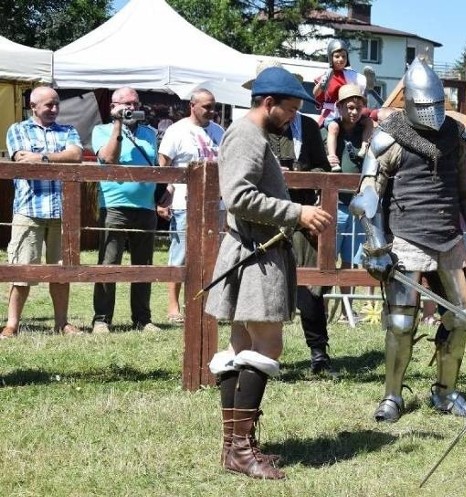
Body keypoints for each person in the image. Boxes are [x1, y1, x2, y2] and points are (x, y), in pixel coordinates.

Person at [205, 66, 333, 480]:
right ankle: (240, 449)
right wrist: (298, 212)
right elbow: (239, 197)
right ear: (268, 103)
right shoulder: (246, 135)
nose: (293, 118)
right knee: (267, 345)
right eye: (290, 110)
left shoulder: (255, 135)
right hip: (254, 255)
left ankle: (234, 448)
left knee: (242, 343)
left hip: (255, 252)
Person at [349, 59, 466, 423]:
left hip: (447, 240)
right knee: (400, 323)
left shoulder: (455, 137)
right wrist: (378, 248)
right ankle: (392, 396)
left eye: (437, 105)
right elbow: (367, 198)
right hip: (406, 240)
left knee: (463, 317)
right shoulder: (388, 138)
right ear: (409, 102)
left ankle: (446, 392)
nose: (432, 113)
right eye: (424, 106)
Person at [2, 86, 84, 339]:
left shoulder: (68, 130)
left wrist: (43, 158)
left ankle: (62, 322)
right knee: (22, 270)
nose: (54, 109)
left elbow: (76, 154)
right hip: (29, 209)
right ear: (33, 106)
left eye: (57, 104)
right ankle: (12, 324)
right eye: (48, 105)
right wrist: (57, 157)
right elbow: (20, 158)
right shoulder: (17, 129)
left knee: (62, 270)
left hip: (62, 209)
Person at [268, 106, 337, 375]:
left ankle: (319, 353)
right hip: (267, 215)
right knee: (268, 287)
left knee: (311, 288)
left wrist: (302, 174)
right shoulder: (258, 125)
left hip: (303, 215)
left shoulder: (307, 126)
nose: (293, 109)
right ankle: (262, 353)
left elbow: (322, 166)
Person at [90, 87, 163, 334]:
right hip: (114, 205)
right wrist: (118, 125)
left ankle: (143, 318)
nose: (132, 108)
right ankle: (102, 319)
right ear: (113, 106)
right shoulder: (101, 130)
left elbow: (156, 167)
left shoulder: (149, 133)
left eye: (134, 103)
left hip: (145, 206)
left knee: (144, 266)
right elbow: (109, 159)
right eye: (126, 104)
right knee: (109, 263)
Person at [157, 89, 225, 325]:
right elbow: (164, 164)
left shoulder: (219, 132)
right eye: (206, 106)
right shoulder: (177, 130)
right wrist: (165, 195)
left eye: (213, 106)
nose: (211, 111)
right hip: (184, 202)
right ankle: (173, 304)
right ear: (192, 106)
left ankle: (206, 303)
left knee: (214, 254)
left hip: (216, 202)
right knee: (181, 253)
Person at [313, 39, 368, 131]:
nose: (341, 59)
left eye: (344, 56)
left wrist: (364, 83)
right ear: (331, 58)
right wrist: (322, 84)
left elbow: (360, 92)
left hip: (349, 113)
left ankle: (364, 144)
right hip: (331, 113)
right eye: (337, 56)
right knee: (334, 128)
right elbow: (316, 95)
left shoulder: (352, 75)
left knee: (369, 122)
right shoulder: (326, 75)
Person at [326, 83, 374, 173]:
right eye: (350, 108)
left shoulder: (367, 133)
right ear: (339, 106)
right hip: (332, 184)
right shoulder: (326, 133)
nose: (355, 112)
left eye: (359, 108)